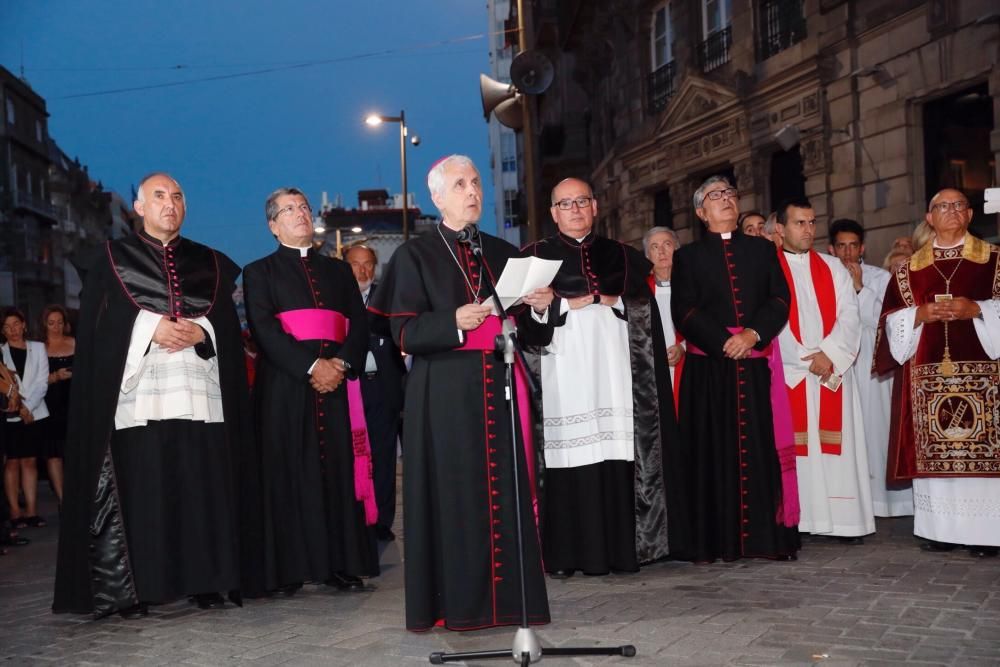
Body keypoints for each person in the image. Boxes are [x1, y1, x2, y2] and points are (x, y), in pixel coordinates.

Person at [53, 173, 258, 617]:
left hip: (200, 400)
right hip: (139, 400)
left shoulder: (212, 263)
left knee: (203, 490)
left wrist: (199, 332)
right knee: (145, 492)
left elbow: (227, 326)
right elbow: (96, 334)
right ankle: (141, 588)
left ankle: (210, 581)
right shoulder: (109, 260)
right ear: (139, 208)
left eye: (178, 196)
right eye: (160, 196)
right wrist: (150, 328)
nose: (171, 204)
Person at [369, 154, 554, 631]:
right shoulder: (415, 255)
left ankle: (514, 605)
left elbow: (535, 337)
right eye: (460, 185)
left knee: (506, 491)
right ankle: (459, 606)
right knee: (455, 496)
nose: (472, 192)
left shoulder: (504, 251)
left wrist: (538, 307)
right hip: (445, 391)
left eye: (475, 182)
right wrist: (452, 321)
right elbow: (404, 336)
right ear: (437, 197)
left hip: (500, 384)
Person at [523, 178, 675, 578]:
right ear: (553, 212)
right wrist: (551, 306)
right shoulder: (534, 257)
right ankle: (566, 556)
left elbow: (644, 311)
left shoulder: (622, 256)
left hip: (614, 375)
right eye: (565, 203)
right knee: (568, 460)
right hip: (563, 373)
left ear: (595, 206)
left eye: (581, 202)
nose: (574, 209)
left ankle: (621, 552)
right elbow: (524, 328)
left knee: (616, 456)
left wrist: (616, 300)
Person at [243, 188, 379, 596]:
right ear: (273, 224)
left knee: (336, 472)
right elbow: (264, 330)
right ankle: (288, 569)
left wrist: (339, 364)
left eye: (303, 207)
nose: (300, 214)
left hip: (336, 384)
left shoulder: (338, 271)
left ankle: (340, 564)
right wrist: (310, 366)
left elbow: (358, 323)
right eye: (289, 209)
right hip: (285, 386)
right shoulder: (258, 272)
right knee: (287, 473)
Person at [671, 176, 800, 563]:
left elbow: (779, 297)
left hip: (755, 365)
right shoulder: (688, 257)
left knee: (760, 449)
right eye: (715, 196)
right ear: (700, 211)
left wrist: (752, 334)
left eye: (730, 194)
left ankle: (766, 538)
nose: (726, 200)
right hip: (709, 369)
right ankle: (714, 542)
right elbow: (685, 310)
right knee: (711, 453)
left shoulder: (762, 250)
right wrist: (723, 342)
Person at [875, 188, 1000, 557]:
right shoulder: (907, 270)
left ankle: (988, 532)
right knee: (934, 456)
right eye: (942, 206)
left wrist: (976, 309)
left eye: (958, 205)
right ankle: (940, 530)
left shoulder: (994, 260)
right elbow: (887, 321)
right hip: (927, 378)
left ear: (970, 214)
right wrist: (919, 315)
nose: (951, 211)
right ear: (929, 218)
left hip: (985, 377)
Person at [776, 200, 874, 543]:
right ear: (781, 228)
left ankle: (845, 521)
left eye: (812, 222)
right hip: (794, 374)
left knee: (837, 446)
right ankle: (803, 519)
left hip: (831, 373)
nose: (808, 229)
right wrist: (806, 358)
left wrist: (829, 354)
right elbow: (772, 322)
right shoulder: (768, 269)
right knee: (799, 450)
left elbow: (851, 316)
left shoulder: (833, 268)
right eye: (799, 222)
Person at [828, 220, 912, 517]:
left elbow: (884, 319)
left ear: (862, 247)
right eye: (841, 245)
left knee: (876, 432)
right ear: (831, 248)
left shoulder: (879, 277)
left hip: (870, 366)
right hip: (837, 365)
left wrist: (860, 288)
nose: (848, 252)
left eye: (853, 245)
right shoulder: (824, 276)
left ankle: (882, 503)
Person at [344, 244, 406, 543]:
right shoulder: (337, 297)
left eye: (368, 264)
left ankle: (381, 520)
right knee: (351, 455)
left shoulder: (388, 297)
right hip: (348, 387)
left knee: (383, 457)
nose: (362, 271)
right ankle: (353, 518)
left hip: (385, 387)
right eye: (356, 264)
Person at [2, 308, 49, 529]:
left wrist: (28, 407)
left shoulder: (38, 348)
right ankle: (15, 511)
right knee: (12, 463)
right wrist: (20, 408)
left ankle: (31, 511)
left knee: (30, 462)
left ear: (24, 325)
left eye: (16, 324)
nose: (12, 330)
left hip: (35, 413)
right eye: (7, 326)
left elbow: (42, 382)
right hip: (10, 415)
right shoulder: (0, 351)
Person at [41, 305, 74, 505]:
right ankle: (63, 501)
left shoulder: (75, 343)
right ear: (45, 324)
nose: (56, 327)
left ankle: (76, 496)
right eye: (52, 323)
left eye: (60, 322)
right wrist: (54, 377)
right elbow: (31, 381)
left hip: (73, 403)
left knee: (73, 452)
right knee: (53, 454)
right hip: (49, 404)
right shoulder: (38, 348)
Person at [643, 226, 685, 387]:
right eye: (654, 247)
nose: (661, 251)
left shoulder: (692, 285)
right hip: (652, 368)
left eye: (667, 244)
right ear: (648, 256)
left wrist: (683, 347)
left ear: (676, 249)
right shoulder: (640, 292)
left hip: (689, 364)